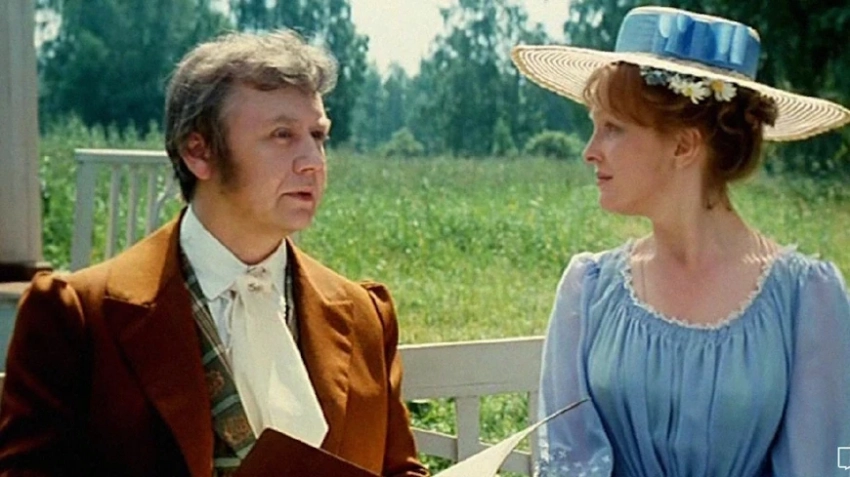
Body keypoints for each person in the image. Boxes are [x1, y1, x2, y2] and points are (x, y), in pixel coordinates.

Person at [0, 30, 428, 477]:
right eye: (282, 134)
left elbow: (399, 470)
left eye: (318, 135)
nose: (313, 161)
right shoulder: (79, 317)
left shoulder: (364, 315)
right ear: (198, 151)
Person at [511, 6, 850, 477]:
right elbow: (567, 460)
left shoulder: (807, 298)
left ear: (683, 145)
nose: (590, 151)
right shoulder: (588, 288)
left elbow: (828, 464)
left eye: (613, 128)